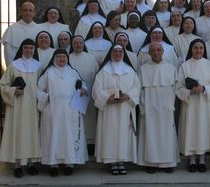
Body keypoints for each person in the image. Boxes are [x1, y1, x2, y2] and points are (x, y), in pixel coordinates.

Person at [37, 49, 88, 176]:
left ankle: (69, 163)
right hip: (52, 111)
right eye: (59, 57)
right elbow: (38, 89)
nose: (61, 59)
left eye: (64, 57)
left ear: (67, 58)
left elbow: (84, 86)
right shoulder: (48, 73)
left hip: (70, 110)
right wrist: (46, 97)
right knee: (53, 135)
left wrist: (83, 90)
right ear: (54, 59)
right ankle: (52, 164)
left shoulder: (73, 72)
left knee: (69, 136)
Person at [92, 45, 140, 175]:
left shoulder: (130, 70)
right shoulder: (104, 71)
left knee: (124, 134)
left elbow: (137, 87)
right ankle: (113, 162)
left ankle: (121, 161)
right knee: (110, 134)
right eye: (115, 51)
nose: (118, 54)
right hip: (109, 110)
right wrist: (107, 98)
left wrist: (128, 96)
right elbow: (96, 89)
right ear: (111, 53)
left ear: (123, 53)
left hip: (125, 109)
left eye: (120, 51)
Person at [0, 39, 41, 178]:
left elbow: (42, 86)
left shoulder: (38, 66)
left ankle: (31, 163)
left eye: (31, 48)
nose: (28, 50)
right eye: (26, 48)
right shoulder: (14, 66)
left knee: (32, 133)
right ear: (22, 50)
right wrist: (13, 91)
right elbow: (3, 85)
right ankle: (18, 165)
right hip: (17, 107)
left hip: (33, 107)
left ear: (34, 50)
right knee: (18, 133)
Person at [176, 39, 210, 173]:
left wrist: (204, 88)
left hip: (204, 103)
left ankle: (202, 159)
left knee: (203, 130)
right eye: (195, 48)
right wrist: (190, 92)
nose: (198, 50)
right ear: (191, 49)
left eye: (201, 48)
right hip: (190, 104)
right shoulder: (184, 66)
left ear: (204, 50)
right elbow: (178, 87)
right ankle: (192, 160)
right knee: (191, 129)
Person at [137, 42, 180, 173]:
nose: (156, 53)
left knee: (167, 135)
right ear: (149, 53)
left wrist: (171, 106)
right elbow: (139, 90)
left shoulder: (171, 68)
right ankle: (150, 163)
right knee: (150, 135)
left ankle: (167, 163)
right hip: (149, 108)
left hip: (166, 108)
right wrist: (143, 107)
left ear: (162, 52)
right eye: (153, 50)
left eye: (158, 50)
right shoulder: (143, 69)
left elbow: (175, 89)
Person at [69, 35, 99, 153]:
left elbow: (97, 75)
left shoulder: (91, 58)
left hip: (89, 93)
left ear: (83, 44)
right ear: (72, 45)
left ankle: (90, 143)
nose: (78, 45)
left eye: (80, 43)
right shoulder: (68, 57)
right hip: (72, 95)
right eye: (75, 43)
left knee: (90, 119)